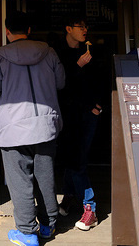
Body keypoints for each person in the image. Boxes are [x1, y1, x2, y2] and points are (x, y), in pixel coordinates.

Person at [0, 11, 65, 246]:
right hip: (45, 125)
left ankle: (27, 232)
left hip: (12, 129)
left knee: (20, 181)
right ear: (29, 30)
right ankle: (48, 225)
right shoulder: (49, 52)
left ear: (8, 32)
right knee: (45, 177)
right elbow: (61, 82)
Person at [52, 14, 108, 231]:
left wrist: (99, 106)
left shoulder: (91, 51)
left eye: (86, 26)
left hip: (87, 114)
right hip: (65, 114)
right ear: (68, 28)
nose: (85, 30)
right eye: (80, 26)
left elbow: (102, 79)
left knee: (78, 161)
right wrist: (77, 66)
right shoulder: (57, 52)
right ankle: (69, 196)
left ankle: (90, 208)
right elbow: (58, 84)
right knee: (69, 158)